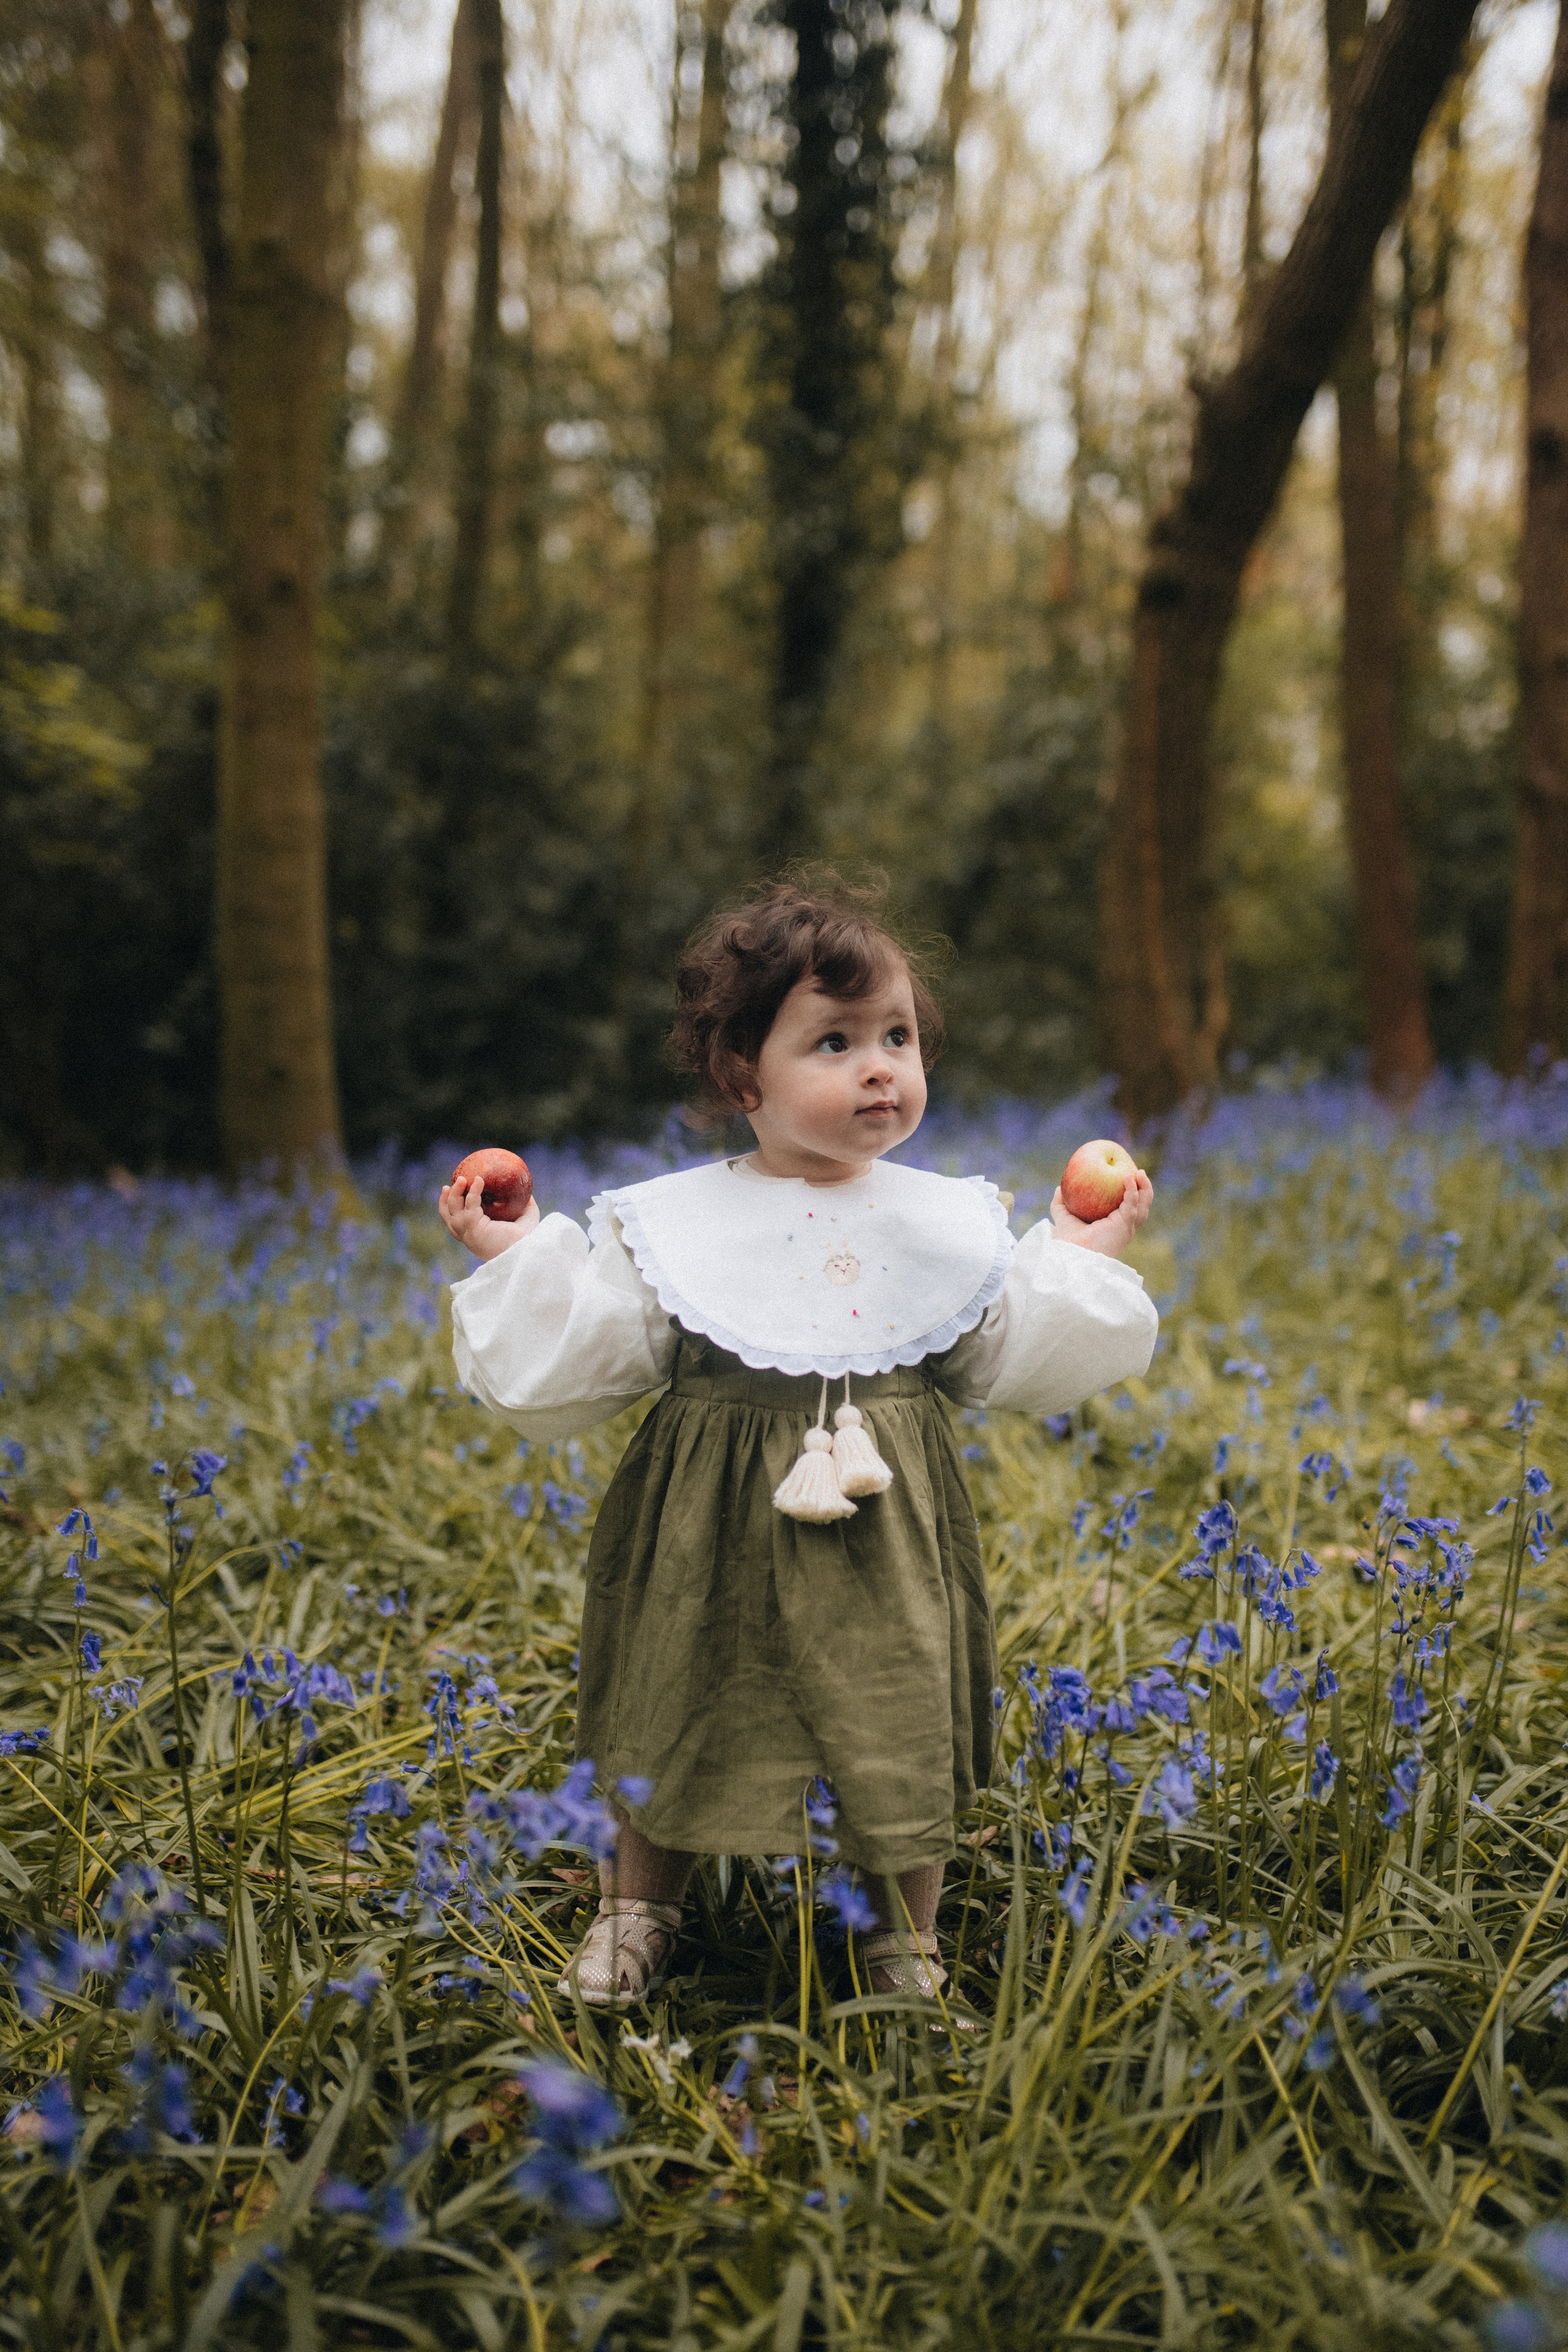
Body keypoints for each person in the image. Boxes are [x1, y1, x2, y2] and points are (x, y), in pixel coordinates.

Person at [440, 876, 1156, 2010]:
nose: (881, 1065)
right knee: (678, 1684)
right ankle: (639, 1908)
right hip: (705, 1522)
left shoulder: (944, 1221)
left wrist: (1074, 1248)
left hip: (887, 1529)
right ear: (742, 1075)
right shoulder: (674, 1225)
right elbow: (589, 1354)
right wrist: (520, 1253)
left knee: (899, 1701)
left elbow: (996, 1356)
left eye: (899, 1036)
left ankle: (902, 1935)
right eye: (835, 1040)